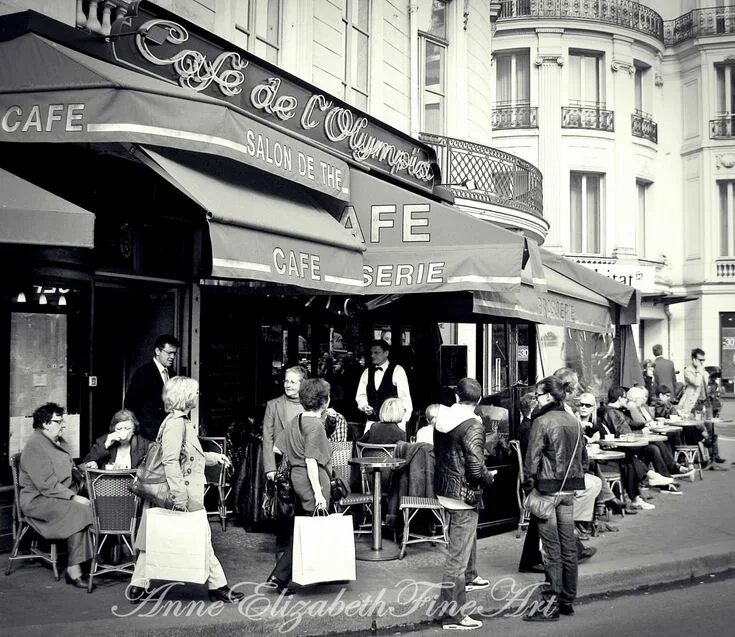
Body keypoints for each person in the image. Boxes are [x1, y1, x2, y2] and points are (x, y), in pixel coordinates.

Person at [128, 376, 243, 604]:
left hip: (175, 490)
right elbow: (170, 460)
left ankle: (138, 585)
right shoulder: (176, 423)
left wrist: (212, 457)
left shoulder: (177, 421)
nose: (198, 395)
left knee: (156, 536)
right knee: (202, 536)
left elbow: (187, 455)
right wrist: (179, 496)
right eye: (195, 392)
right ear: (185, 396)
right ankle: (217, 586)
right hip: (181, 492)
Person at [433, 378, 496, 631]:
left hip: (445, 487)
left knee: (460, 548)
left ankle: (464, 585)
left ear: (456, 395)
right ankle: (453, 615)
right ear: (479, 400)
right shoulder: (473, 425)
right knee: (456, 559)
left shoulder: (441, 417)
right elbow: (474, 468)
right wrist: (488, 477)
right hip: (464, 493)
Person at [522, 376, 586, 621]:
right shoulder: (574, 420)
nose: (536, 399)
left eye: (538, 395)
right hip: (569, 491)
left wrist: (530, 485)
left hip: (547, 491)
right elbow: (584, 458)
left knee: (551, 550)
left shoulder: (542, 421)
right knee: (568, 546)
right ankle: (568, 601)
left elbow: (531, 460)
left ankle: (551, 605)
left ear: (549, 396)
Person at [267, 378, 333, 595]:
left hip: (297, 477)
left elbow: (277, 448)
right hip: (312, 480)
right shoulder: (315, 426)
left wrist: (295, 454)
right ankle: (280, 576)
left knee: (306, 527)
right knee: (311, 530)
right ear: (324, 402)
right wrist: (319, 493)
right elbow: (312, 461)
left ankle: (293, 575)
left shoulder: (296, 420)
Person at [19, 403, 94, 588]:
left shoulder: (53, 441)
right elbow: (46, 484)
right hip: (38, 500)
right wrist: (73, 497)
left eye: (62, 421)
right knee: (79, 510)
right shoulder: (35, 445)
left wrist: (83, 468)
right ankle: (74, 569)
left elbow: (64, 469)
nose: (63, 425)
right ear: (45, 423)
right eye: (58, 421)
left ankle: (82, 564)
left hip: (55, 495)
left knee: (88, 507)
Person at [124, 335, 179, 441]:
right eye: (169, 353)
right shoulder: (143, 373)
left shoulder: (172, 374)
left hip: (167, 431)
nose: (172, 357)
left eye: (174, 353)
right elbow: (130, 404)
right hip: (148, 433)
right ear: (158, 351)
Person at [263, 366, 310, 483]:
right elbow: (267, 438)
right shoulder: (273, 405)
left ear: (303, 384)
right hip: (281, 467)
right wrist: (270, 468)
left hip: (307, 466)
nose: (288, 385)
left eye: (292, 382)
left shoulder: (311, 405)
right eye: (286, 381)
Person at [355, 339, 413, 432]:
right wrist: (364, 406)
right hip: (371, 424)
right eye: (372, 353)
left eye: (376, 353)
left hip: (393, 426)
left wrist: (402, 424)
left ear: (386, 353)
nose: (372, 355)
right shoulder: (367, 372)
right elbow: (361, 396)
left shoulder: (398, 370)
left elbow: (405, 400)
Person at [83, 409, 151, 469]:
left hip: (134, 482)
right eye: (119, 429)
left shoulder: (143, 444)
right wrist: (106, 445)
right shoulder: (104, 440)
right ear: (114, 429)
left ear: (134, 430)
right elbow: (86, 462)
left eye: (127, 429)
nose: (123, 432)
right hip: (109, 482)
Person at [678, 348, 709, 417]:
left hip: (702, 401)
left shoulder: (702, 369)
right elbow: (697, 383)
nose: (702, 362)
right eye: (700, 360)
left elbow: (705, 384)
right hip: (691, 403)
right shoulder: (688, 370)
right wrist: (699, 369)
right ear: (694, 359)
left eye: (703, 360)